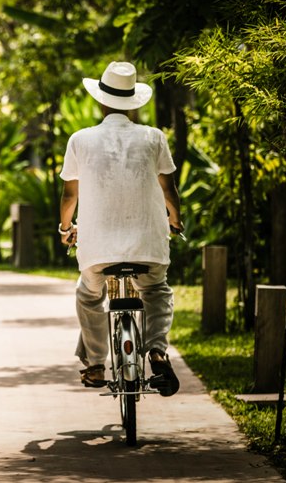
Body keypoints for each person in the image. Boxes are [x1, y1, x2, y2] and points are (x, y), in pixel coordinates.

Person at [58, 61, 184, 396]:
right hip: (148, 245)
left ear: (101, 101)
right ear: (132, 103)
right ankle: (157, 351)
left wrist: (66, 228)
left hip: (97, 249)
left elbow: (70, 195)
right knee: (156, 292)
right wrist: (175, 220)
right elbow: (169, 190)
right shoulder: (154, 137)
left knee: (89, 295)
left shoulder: (80, 140)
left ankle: (96, 364)